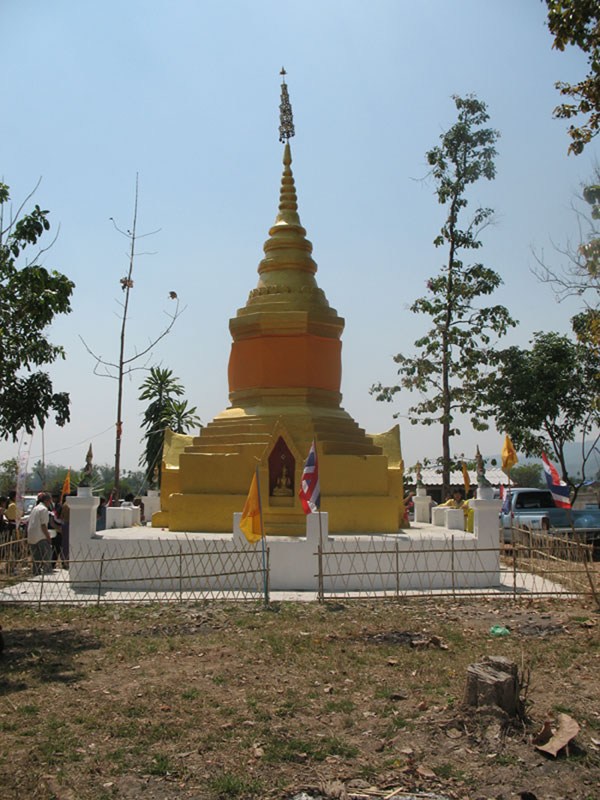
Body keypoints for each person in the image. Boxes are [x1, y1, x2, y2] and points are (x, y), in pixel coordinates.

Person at [27, 492, 53, 575]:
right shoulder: (44, 509)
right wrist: (48, 538)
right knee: (47, 555)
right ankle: (47, 572)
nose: (50, 503)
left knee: (36, 557)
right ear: (46, 500)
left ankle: (36, 572)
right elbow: (43, 525)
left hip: (32, 536)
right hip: (40, 536)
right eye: (49, 501)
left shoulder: (35, 508)